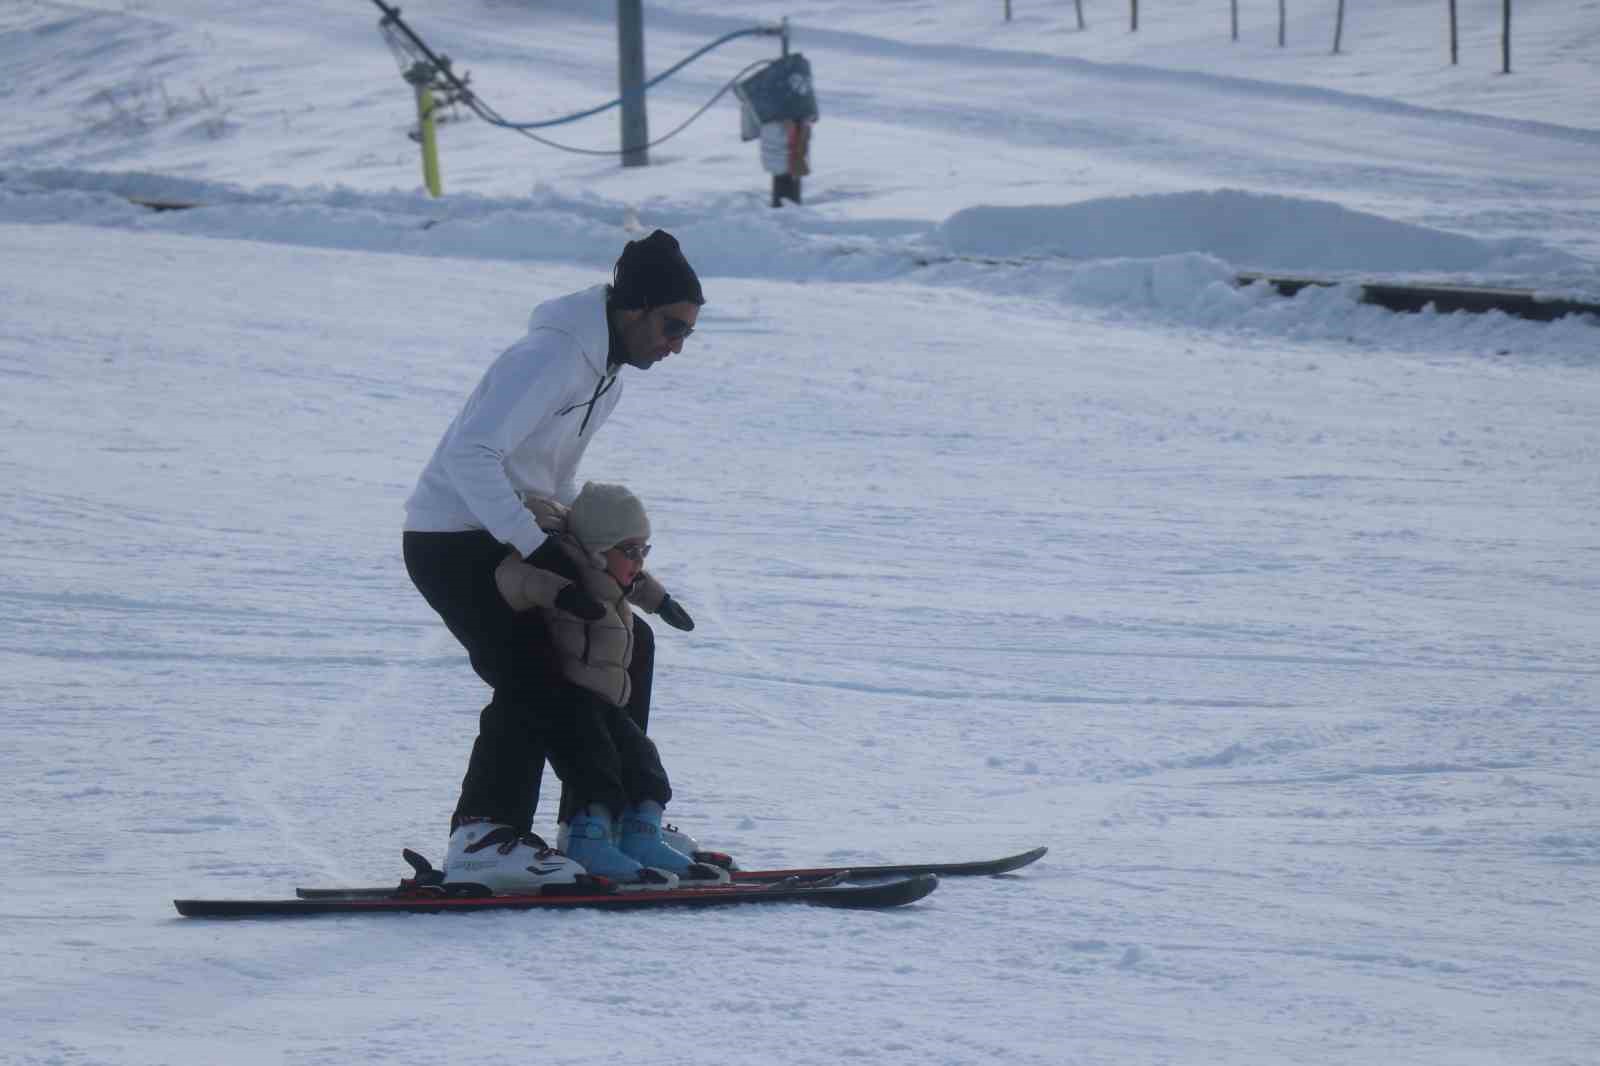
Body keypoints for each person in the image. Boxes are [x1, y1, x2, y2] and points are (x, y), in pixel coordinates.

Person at [402, 231, 703, 892]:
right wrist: (538, 548)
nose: (677, 344)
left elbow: (555, 482)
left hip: (514, 534)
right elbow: (470, 456)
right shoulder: (550, 356)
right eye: (673, 326)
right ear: (634, 308)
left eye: (687, 332)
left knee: (630, 639)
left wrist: (603, 562)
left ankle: (603, 820)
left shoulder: (606, 375)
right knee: (532, 663)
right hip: (452, 537)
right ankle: (484, 835)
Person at [493, 482, 723, 884]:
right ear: (599, 548)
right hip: (569, 698)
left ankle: (640, 836)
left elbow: (638, 583)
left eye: (644, 550)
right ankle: (587, 841)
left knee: (644, 762)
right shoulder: (563, 562)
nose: (638, 561)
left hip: (605, 700)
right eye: (630, 550)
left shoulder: (615, 574)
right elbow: (513, 578)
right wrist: (562, 594)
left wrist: (662, 602)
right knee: (596, 769)